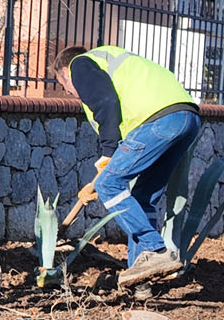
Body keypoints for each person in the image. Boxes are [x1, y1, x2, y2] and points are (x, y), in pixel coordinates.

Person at [57, 44, 203, 286]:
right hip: (187, 118)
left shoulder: (79, 64)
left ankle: (156, 251)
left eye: (64, 86)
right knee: (142, 197)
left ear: (64, 71)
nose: (69, 92)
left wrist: (107, 153)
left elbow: (106, 103)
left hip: (159, 120)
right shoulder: (114, 63)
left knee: (109, 185)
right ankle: (140, 281)